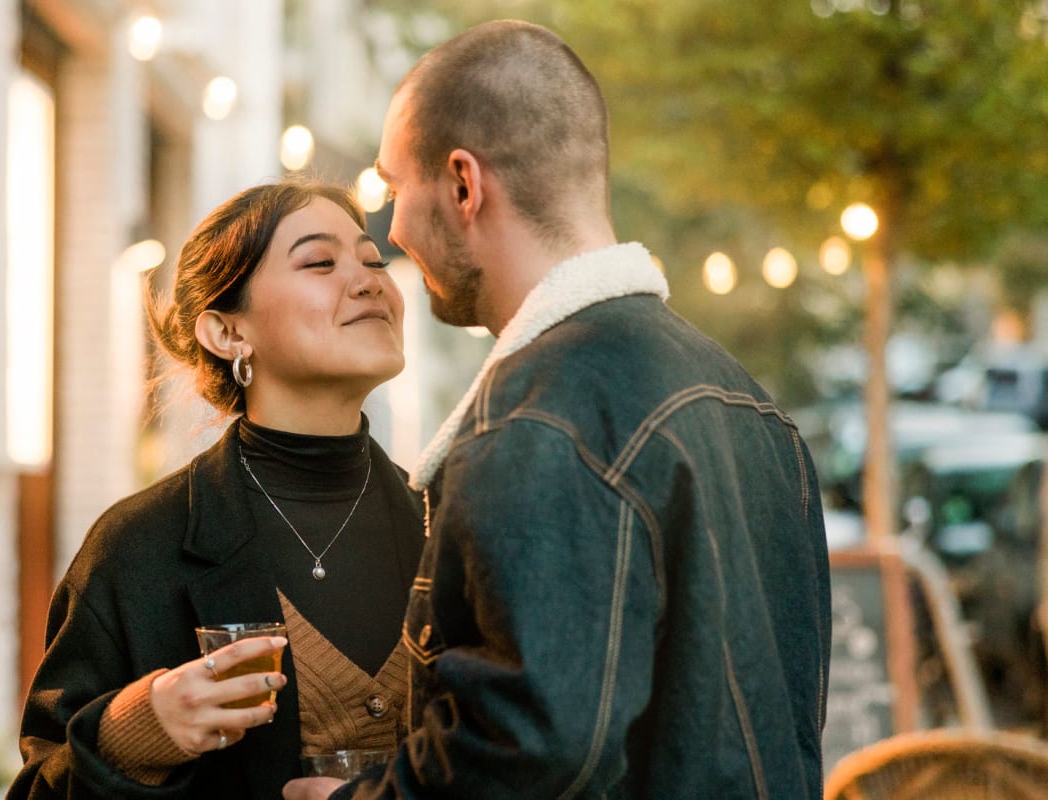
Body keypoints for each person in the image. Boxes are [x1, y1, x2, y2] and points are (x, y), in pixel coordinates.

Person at [284, 19, 831, 800]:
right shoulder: (752, 405)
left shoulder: (535, 420)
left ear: (464, 185)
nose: (393, 231)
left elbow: (532, 752)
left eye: (395, 186)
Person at [7, 178, 426, 799]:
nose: (370, 281)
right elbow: (40, 789)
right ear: (228, 334)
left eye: (372, 260)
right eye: (319, 262)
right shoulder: (138, 546)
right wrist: (137, 732)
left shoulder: (446, 524)